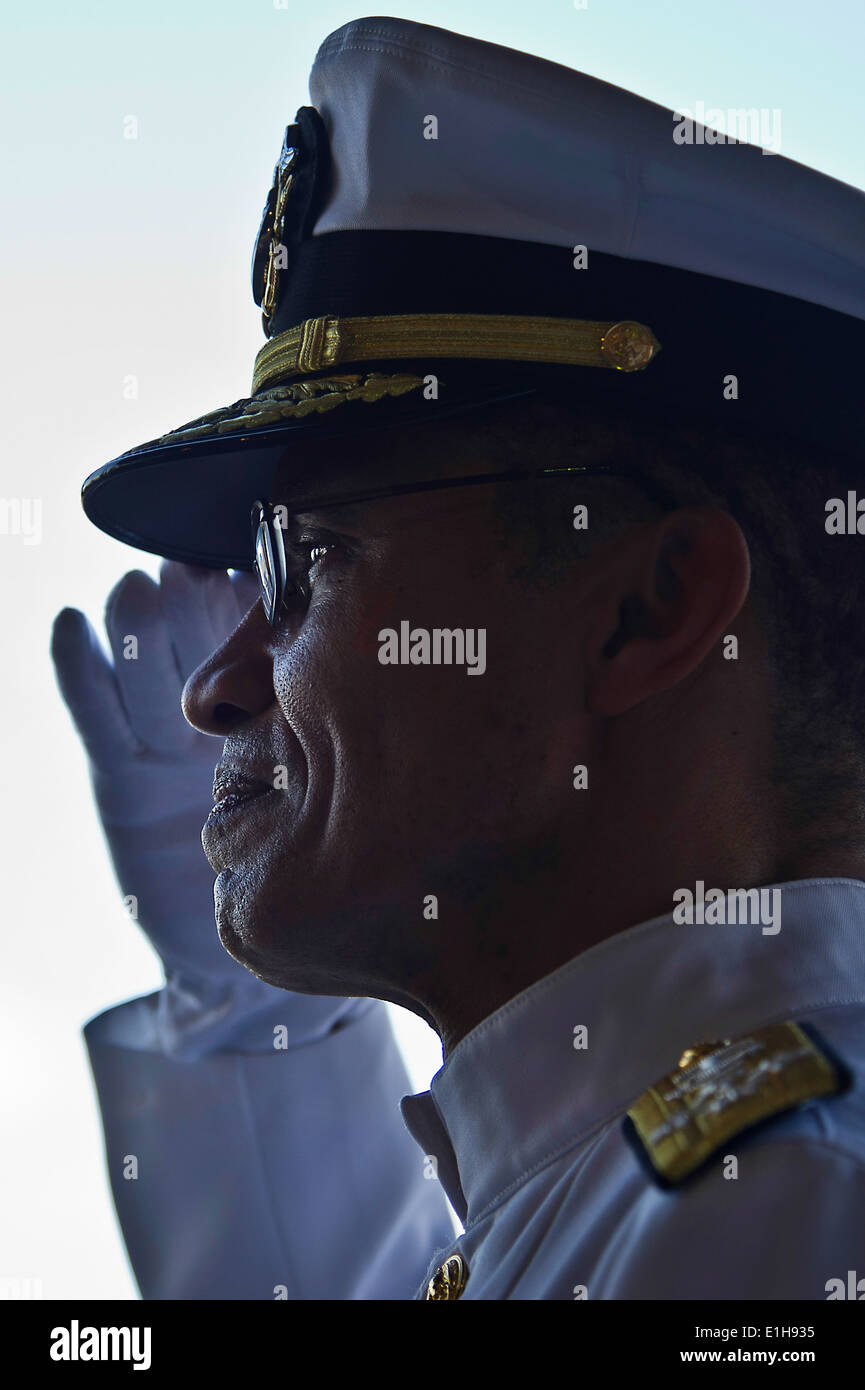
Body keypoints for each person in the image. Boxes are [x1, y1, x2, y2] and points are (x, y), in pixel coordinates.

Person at [52, 16, 865, 1299]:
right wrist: (247, 1027)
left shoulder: (778, 1211)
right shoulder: (664, 1183)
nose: (215, 689)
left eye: (308, 564)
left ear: (645, 612)